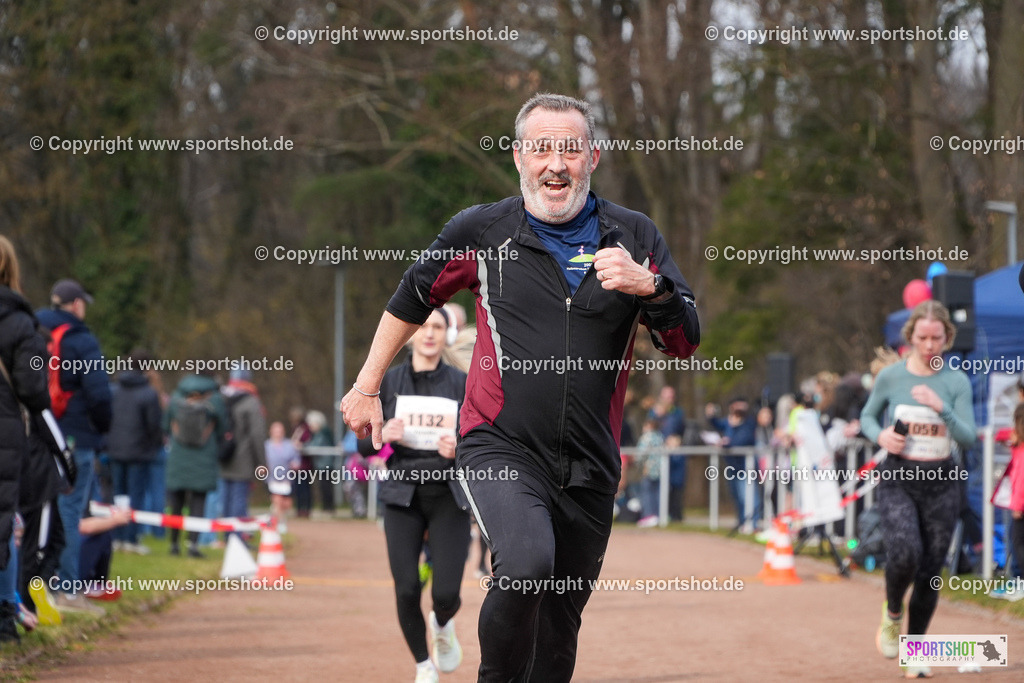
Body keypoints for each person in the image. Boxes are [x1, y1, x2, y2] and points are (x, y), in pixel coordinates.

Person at [342, 93, 700, 682]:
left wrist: (650, 287)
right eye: (541, 149)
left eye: (569, 149)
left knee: (559, 632)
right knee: (529, 563)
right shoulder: (483, 230)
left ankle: (912, 644)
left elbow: (684, 339)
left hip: (590, 462)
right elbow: (411, 296)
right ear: (518, 157)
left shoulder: (634, 234)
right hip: (500, 444)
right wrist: (366, 385)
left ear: (593, 157)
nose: (554, 163)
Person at [860, 300, 976, 679]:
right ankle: (892, 612)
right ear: (910, 337)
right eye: (922, 337)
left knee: (930, 570)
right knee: (906, 551)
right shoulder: (892, 377)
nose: (929, 345)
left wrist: (943, 409)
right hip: (899, 478)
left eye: (937, 338)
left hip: (941, 482)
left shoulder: (956, 382)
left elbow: (969, 437)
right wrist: (880, 435)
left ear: (948, 339)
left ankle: (915, 651)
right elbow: (866, 415)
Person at [356, 308, 470, 683]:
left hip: (448, 495)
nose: (429, 333)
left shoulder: (462, 383)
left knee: (446, 593)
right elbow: (365, 451)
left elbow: (482, 441)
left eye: (437, 326)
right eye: (422, 326)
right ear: (408, 335)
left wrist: (461, 448)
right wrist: (382, 436)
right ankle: (423, 665)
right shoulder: (388, 383)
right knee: (406, 587)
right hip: (402, 495)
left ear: (446, 334)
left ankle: (441, 623)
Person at [36, 278, 112, 611]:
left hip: (38, 433)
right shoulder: (82, 340)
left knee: (39, 509)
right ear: (77, 305)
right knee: (70, 510)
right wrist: (103, 429)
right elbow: (99, 394)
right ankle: (66, 589)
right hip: (75, 435)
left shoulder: (32, 329)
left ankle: (38, 584)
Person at [0, 235, 51, 641]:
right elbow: (34, 387)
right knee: (6, 523)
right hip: (5, 430)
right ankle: (5, 616)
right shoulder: (21, 322)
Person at [107, 348, 163, 554]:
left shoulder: (114, 390)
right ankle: (131, 537)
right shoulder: (148, 394)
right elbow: (154, 426)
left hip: (115, 449)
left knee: (118, 494)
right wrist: (154, 444)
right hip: (139, 452)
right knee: (135, 496)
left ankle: (117, 536)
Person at [163, 373, 226, 558]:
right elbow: (223, 428)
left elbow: (165, 425)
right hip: (204, 457)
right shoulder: (215, 400)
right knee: (198, 502)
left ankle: (174, 544)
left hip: (178, 457)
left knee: (176, 502)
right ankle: (193, 545)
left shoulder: (175, 398)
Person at [219, 369, 267, 539]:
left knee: (225, 500)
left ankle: (227, 537)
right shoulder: (251, 402)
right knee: (239, 501)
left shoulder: (221, 398)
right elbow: (257, 434)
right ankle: (237, 539)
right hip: (243, 459)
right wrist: (262, 462)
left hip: (223, 456)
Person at [707, 398, 761, 533]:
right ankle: (742, 522)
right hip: (732, 466)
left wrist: (727, 443)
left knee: (749, 496)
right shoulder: (728, 421)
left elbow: (744, 439)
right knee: (737, 497)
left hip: (746, 467)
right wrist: (711, 416)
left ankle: (753, 524)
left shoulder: (749, 422)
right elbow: (717, 424)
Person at [649, 386, 687, 521]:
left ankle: (676, 516)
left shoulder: (678, 413)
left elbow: (683, 431)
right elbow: (650, 430)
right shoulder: (654, 413)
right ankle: (658, 515)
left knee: (676, 486)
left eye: (671, 396)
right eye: (666, 396)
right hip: (658, 457)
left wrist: (678, 440)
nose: (668, 399)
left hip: (676, 457)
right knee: (657, 486)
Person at [264, 421, 299, 531]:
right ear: (271, 432)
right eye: (276, 431)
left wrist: (295, 465)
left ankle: (274, 515)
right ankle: (279, 524)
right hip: (272, 479)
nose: (278, 433)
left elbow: (296, 460)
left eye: (280, 431)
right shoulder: (266, 446)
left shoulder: (289, 445)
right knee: (277, 500)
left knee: (286, 504)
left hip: (286, 479)